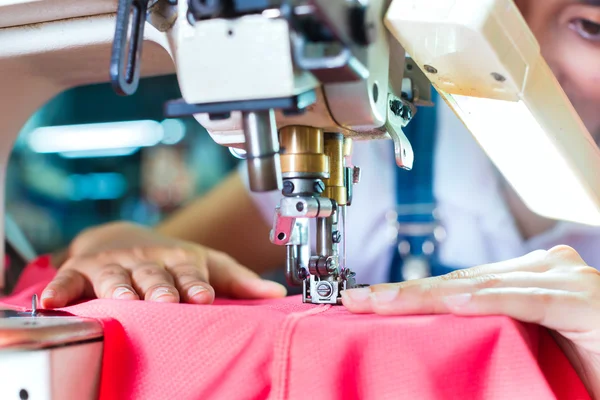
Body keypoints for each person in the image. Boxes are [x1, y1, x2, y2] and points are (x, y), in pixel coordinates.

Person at [35, 0, 600, 396]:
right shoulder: (388, 146)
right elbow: (163, 241)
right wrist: (117, 240)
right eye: (517, 13)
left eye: (589, 26)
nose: (531, 53)